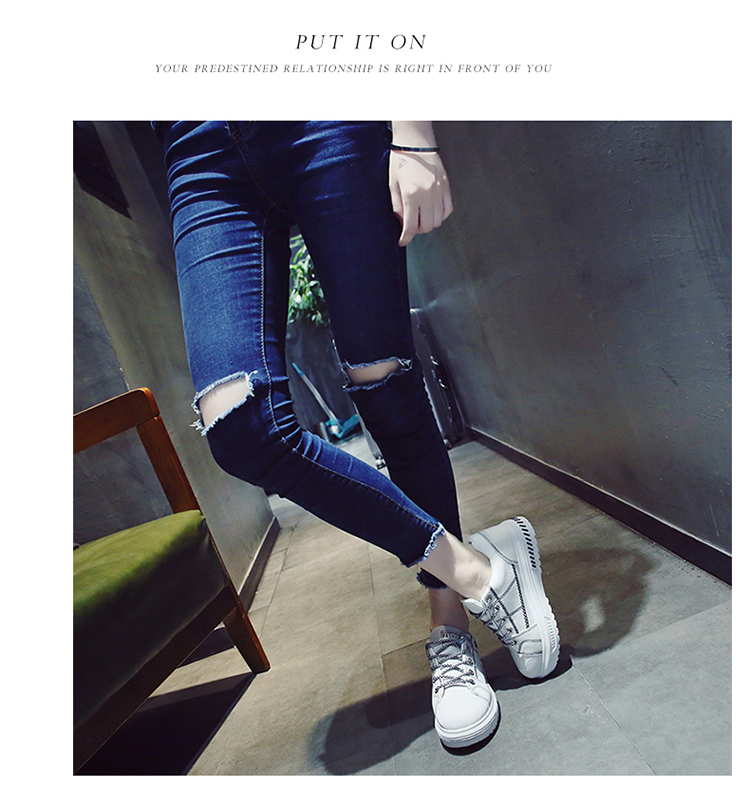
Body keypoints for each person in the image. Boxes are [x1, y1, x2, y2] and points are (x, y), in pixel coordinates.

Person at [156, 120, 559, 749]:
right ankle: (480, 575)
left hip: (323, 115)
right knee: (241, 427)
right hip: (198, 144)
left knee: (385, 386)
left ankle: (449, 621)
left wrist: (413, 132)